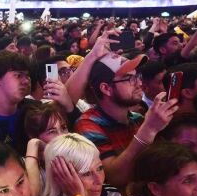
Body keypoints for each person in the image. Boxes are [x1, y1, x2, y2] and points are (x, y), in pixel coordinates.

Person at [74, 51, 177, 188]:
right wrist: (149, 130)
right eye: (129, 78)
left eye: (138, 76)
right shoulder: (88, 124)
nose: (139, 83)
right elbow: (114, 178)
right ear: (106, 88)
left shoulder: (137, 119)